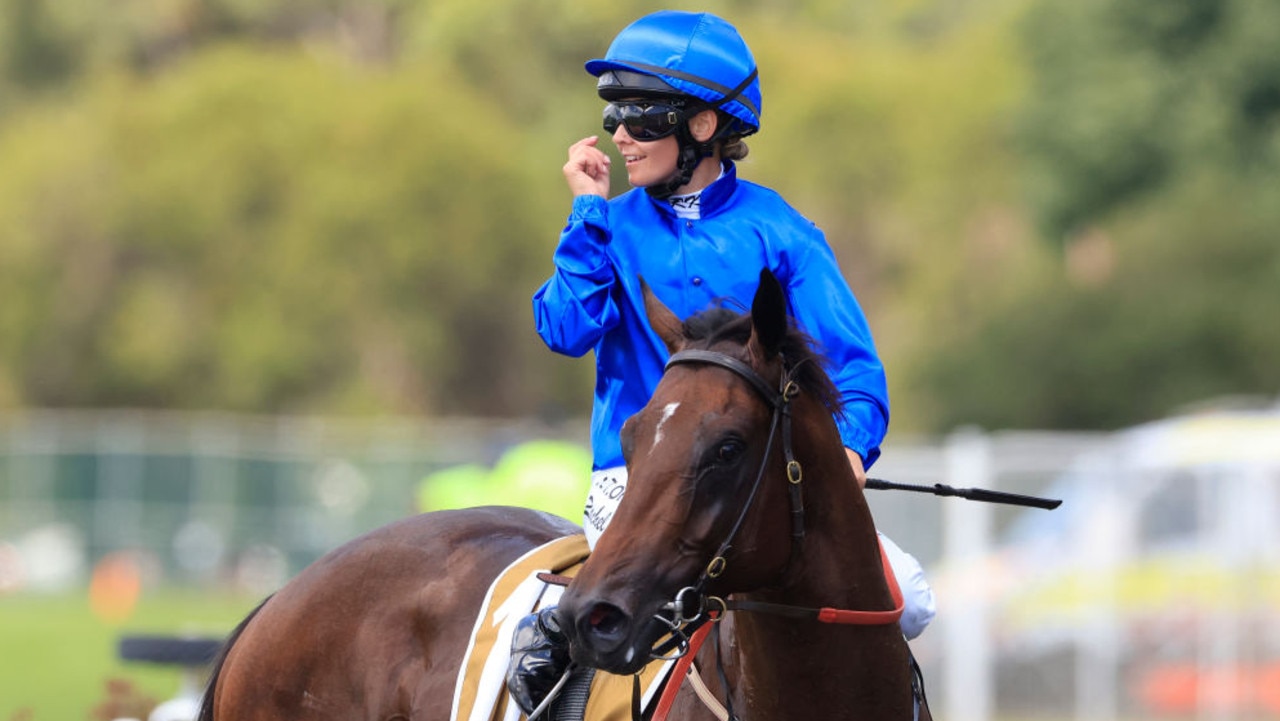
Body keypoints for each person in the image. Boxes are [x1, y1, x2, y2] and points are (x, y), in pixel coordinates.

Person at [508, 10, 935, 714]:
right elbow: (564, 328)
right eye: (614, 115)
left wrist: (853, 451)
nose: (619, 134)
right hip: (636, 489)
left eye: (641, 118)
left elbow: (854, 368)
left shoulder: (782, 232)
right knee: (575, 630)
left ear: (703, 126)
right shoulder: (608, 226)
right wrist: (586, 211)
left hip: (755, 487)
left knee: (910, 596)